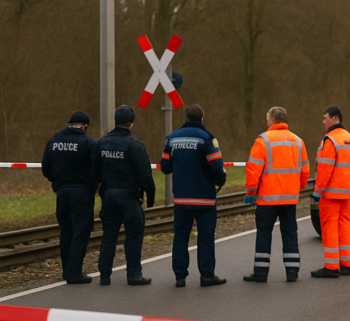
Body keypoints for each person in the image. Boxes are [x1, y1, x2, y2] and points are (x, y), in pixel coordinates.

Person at [161, 104, 227, 288]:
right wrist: (220, 180)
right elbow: (217, 166)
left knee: (180, 236)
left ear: (186, 118)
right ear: (202, 119)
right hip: (204, 198)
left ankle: (180, 276)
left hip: (181, 199)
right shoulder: (207, 138)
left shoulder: (172, 138)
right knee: (205, 237)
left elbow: (165, 167)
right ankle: (207, 275)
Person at [243, 106, 309, 282]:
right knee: (290, 233)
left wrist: (250, 191)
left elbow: (253, 169)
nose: (266, 121)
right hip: (289, 198)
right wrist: (297, 187)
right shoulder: (298, 141)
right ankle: (292, 271)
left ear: (272, 120)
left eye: (267, 118)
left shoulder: (263, 140)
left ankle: (261, 273)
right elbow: (305, 171)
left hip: (267, 199)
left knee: (264, 233)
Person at [94, 105, 156, 285]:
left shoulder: (102, 143)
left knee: (109, 235)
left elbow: (94, 172)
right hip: (129, 197)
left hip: (109, 196)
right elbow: (145, 175)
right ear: (131, 124)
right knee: (134, 236)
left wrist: (100, 192)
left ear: (116, 121)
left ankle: (104, 275)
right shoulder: (135, 145)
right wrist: (150, 199)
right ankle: (134, 274)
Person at [41, 110, 99, 284]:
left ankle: (67, 271)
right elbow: (96, 170)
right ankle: (74, 273)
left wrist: (58, 182)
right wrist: (92, 185)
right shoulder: (89, 143)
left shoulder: (54, 140)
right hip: (82, 193)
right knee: (80, 232)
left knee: (66, 232)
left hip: (62, 193)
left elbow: (46, 167)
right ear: (85, 126)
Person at [310, 106, 350, 278]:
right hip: (346, 192)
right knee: (344, 225)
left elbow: (324, 170)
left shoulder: (330, 140)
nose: (323, 121)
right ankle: (347, 265)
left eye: (325, 118)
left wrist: (317, 191)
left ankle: (331, 266)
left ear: (335, 118)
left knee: (329, 226)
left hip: (330, 193)